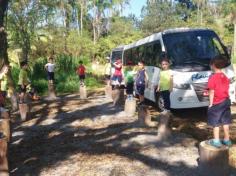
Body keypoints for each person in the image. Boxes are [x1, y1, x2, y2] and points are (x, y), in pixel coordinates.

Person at [207, 55, 232, 148]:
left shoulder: (212, 78)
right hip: (226, 101)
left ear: (213, 65)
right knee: (225, 122)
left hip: (217, 103)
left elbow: (211, 91)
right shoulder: (225, 76)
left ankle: (216, 141)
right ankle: (227, 140)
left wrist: (210, 104)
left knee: (215, 123)